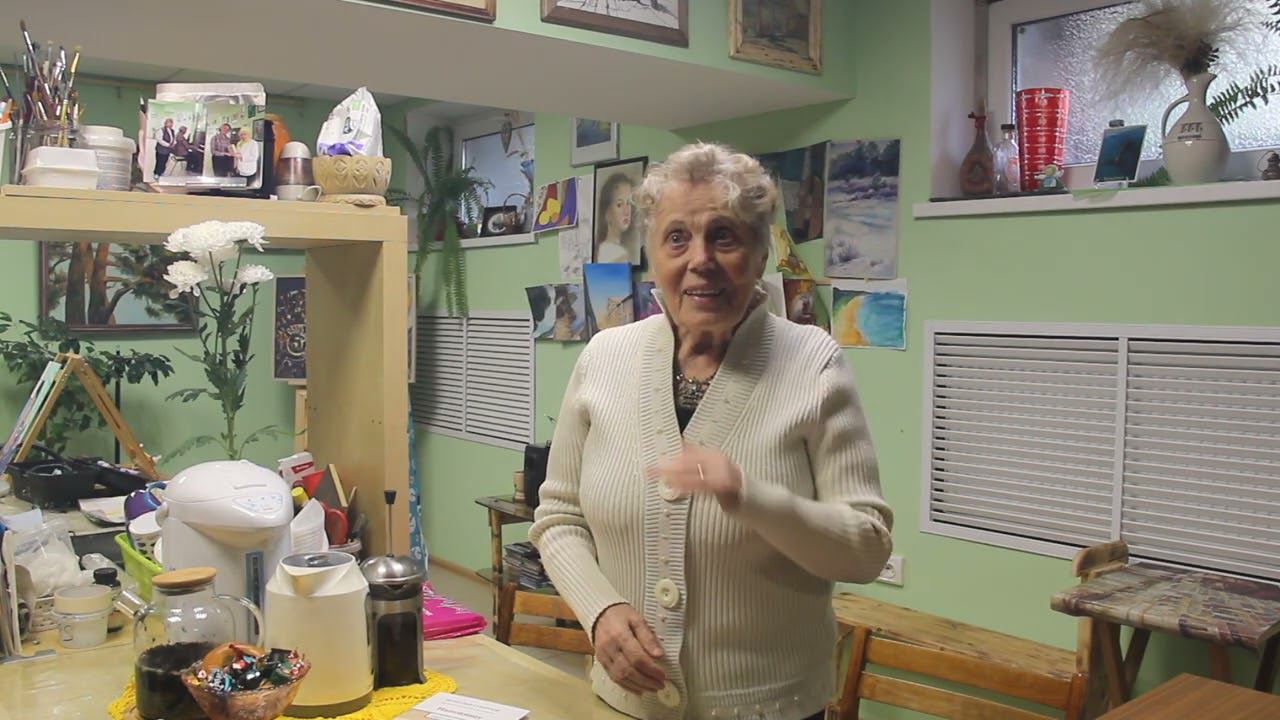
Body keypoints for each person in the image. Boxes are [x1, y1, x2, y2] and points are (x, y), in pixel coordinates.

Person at [530, 142, 893, 720]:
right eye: (677, 238)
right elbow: (559, 517)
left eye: (724, 236)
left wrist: (750, 497)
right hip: (625, 706)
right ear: (652, 253)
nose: (700, 259)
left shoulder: (813, 364)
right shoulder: (603, 357)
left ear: (760, 252)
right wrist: (599, 610)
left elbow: (867, 551)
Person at [595, 172, 638, 264]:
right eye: (619, 205)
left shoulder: (602, 248)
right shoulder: (618, 254)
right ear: (607, 212)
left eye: (629, 203)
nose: (626, 211)